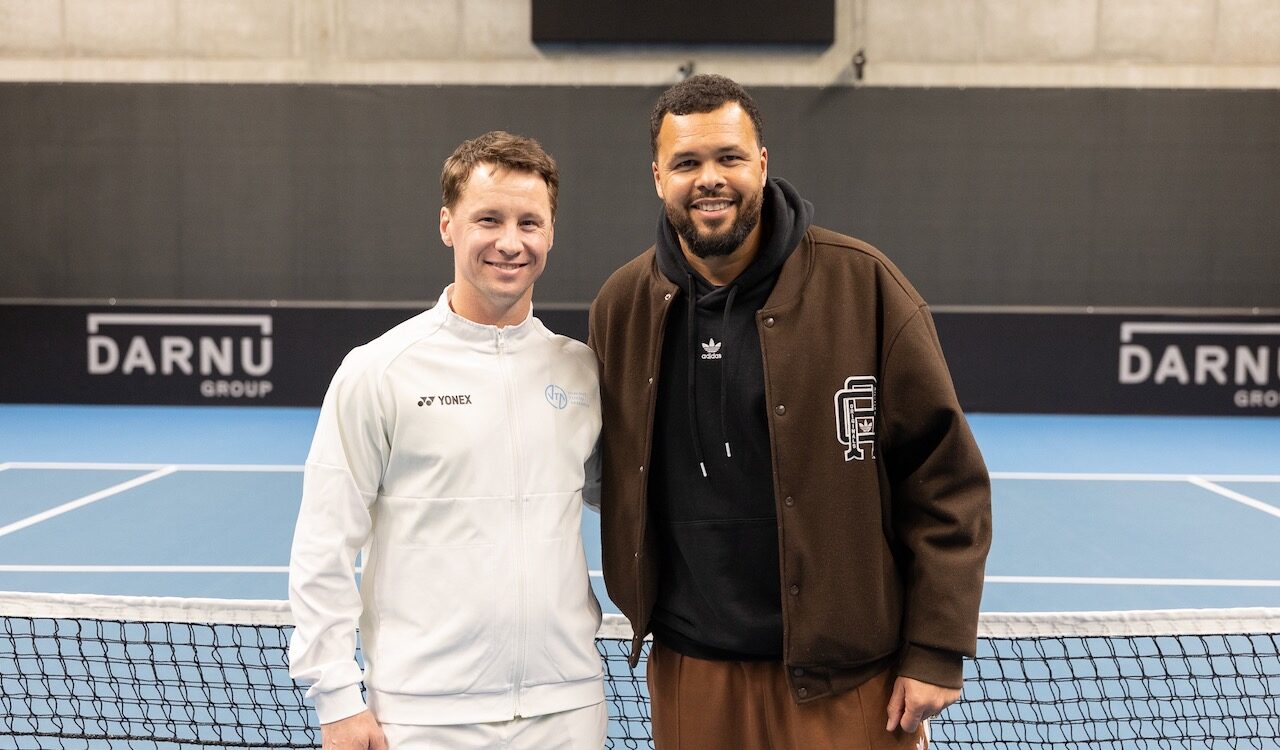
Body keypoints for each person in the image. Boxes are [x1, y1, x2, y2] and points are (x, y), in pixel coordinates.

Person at [588, 74, 992, 749]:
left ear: (763, 164)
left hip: (844, 678)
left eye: (729, 158)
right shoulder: (622, 305)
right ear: (658, 176)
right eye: (687, 162)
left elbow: (945, 480)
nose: (709, 178)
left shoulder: (864, 285)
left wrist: (935, 647)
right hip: (692, 668)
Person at [289, 131, 606, 750]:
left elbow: (625, 504)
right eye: (488, 219)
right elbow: (323, 546)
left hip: (567, 710)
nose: (510, 242)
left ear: (550, 233)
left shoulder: (582, 372)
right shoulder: (377, 371)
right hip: (424, 718)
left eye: (529, 222)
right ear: (447, 225)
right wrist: (336, 699)